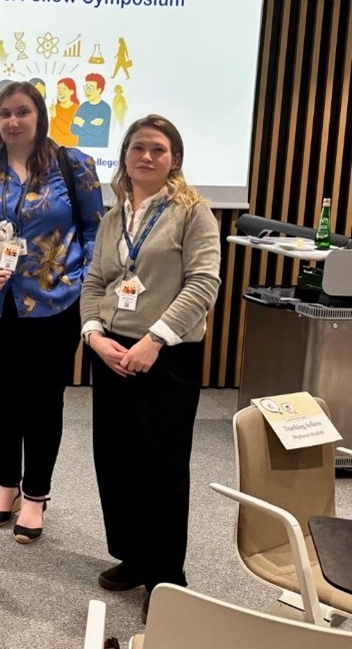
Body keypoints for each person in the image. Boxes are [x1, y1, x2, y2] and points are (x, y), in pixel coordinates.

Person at [80, 114, 220, 618]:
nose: (147, 156)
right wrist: (93, 335)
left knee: (162, 467)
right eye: (138, 147)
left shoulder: (193, 213)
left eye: (158, 149)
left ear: (174, 159)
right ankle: (134, 556)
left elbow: (203, 284)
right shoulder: (114, 217)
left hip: (166, 355)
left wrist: (155, 340)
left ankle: (166, 578)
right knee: (116, 459)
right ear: (125, 156)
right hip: (113, 353)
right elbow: (95, 282)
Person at [0, 80, 103, 544]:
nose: (13, 121)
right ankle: (7, 485)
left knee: (43, 400)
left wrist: (82, 284)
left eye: (22, 111)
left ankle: (36, 494)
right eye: (5, 113)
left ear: (39, 115)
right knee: (2, 397)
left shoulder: (73, 165)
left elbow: (95, 233)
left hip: (54, 304)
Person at [72, 73, 111, 147]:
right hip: (81, 149)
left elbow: (97, 131)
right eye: (86, 87)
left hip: (100, 150)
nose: (87, 91)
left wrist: (82, 123)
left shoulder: (105, 108)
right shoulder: (83, 106)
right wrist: (90, 125)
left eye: (91, 88)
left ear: (99, 90)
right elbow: (73, 129)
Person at [49, 77, 79, 147]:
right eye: (59, 89)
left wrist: (55, 117)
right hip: (55, 149)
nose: (60, 92)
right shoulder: (55, 108)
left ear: (71, 91)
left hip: (71, 148)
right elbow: (52, 132)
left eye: (64, 89)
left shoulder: (77, 108)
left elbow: (71, 130)